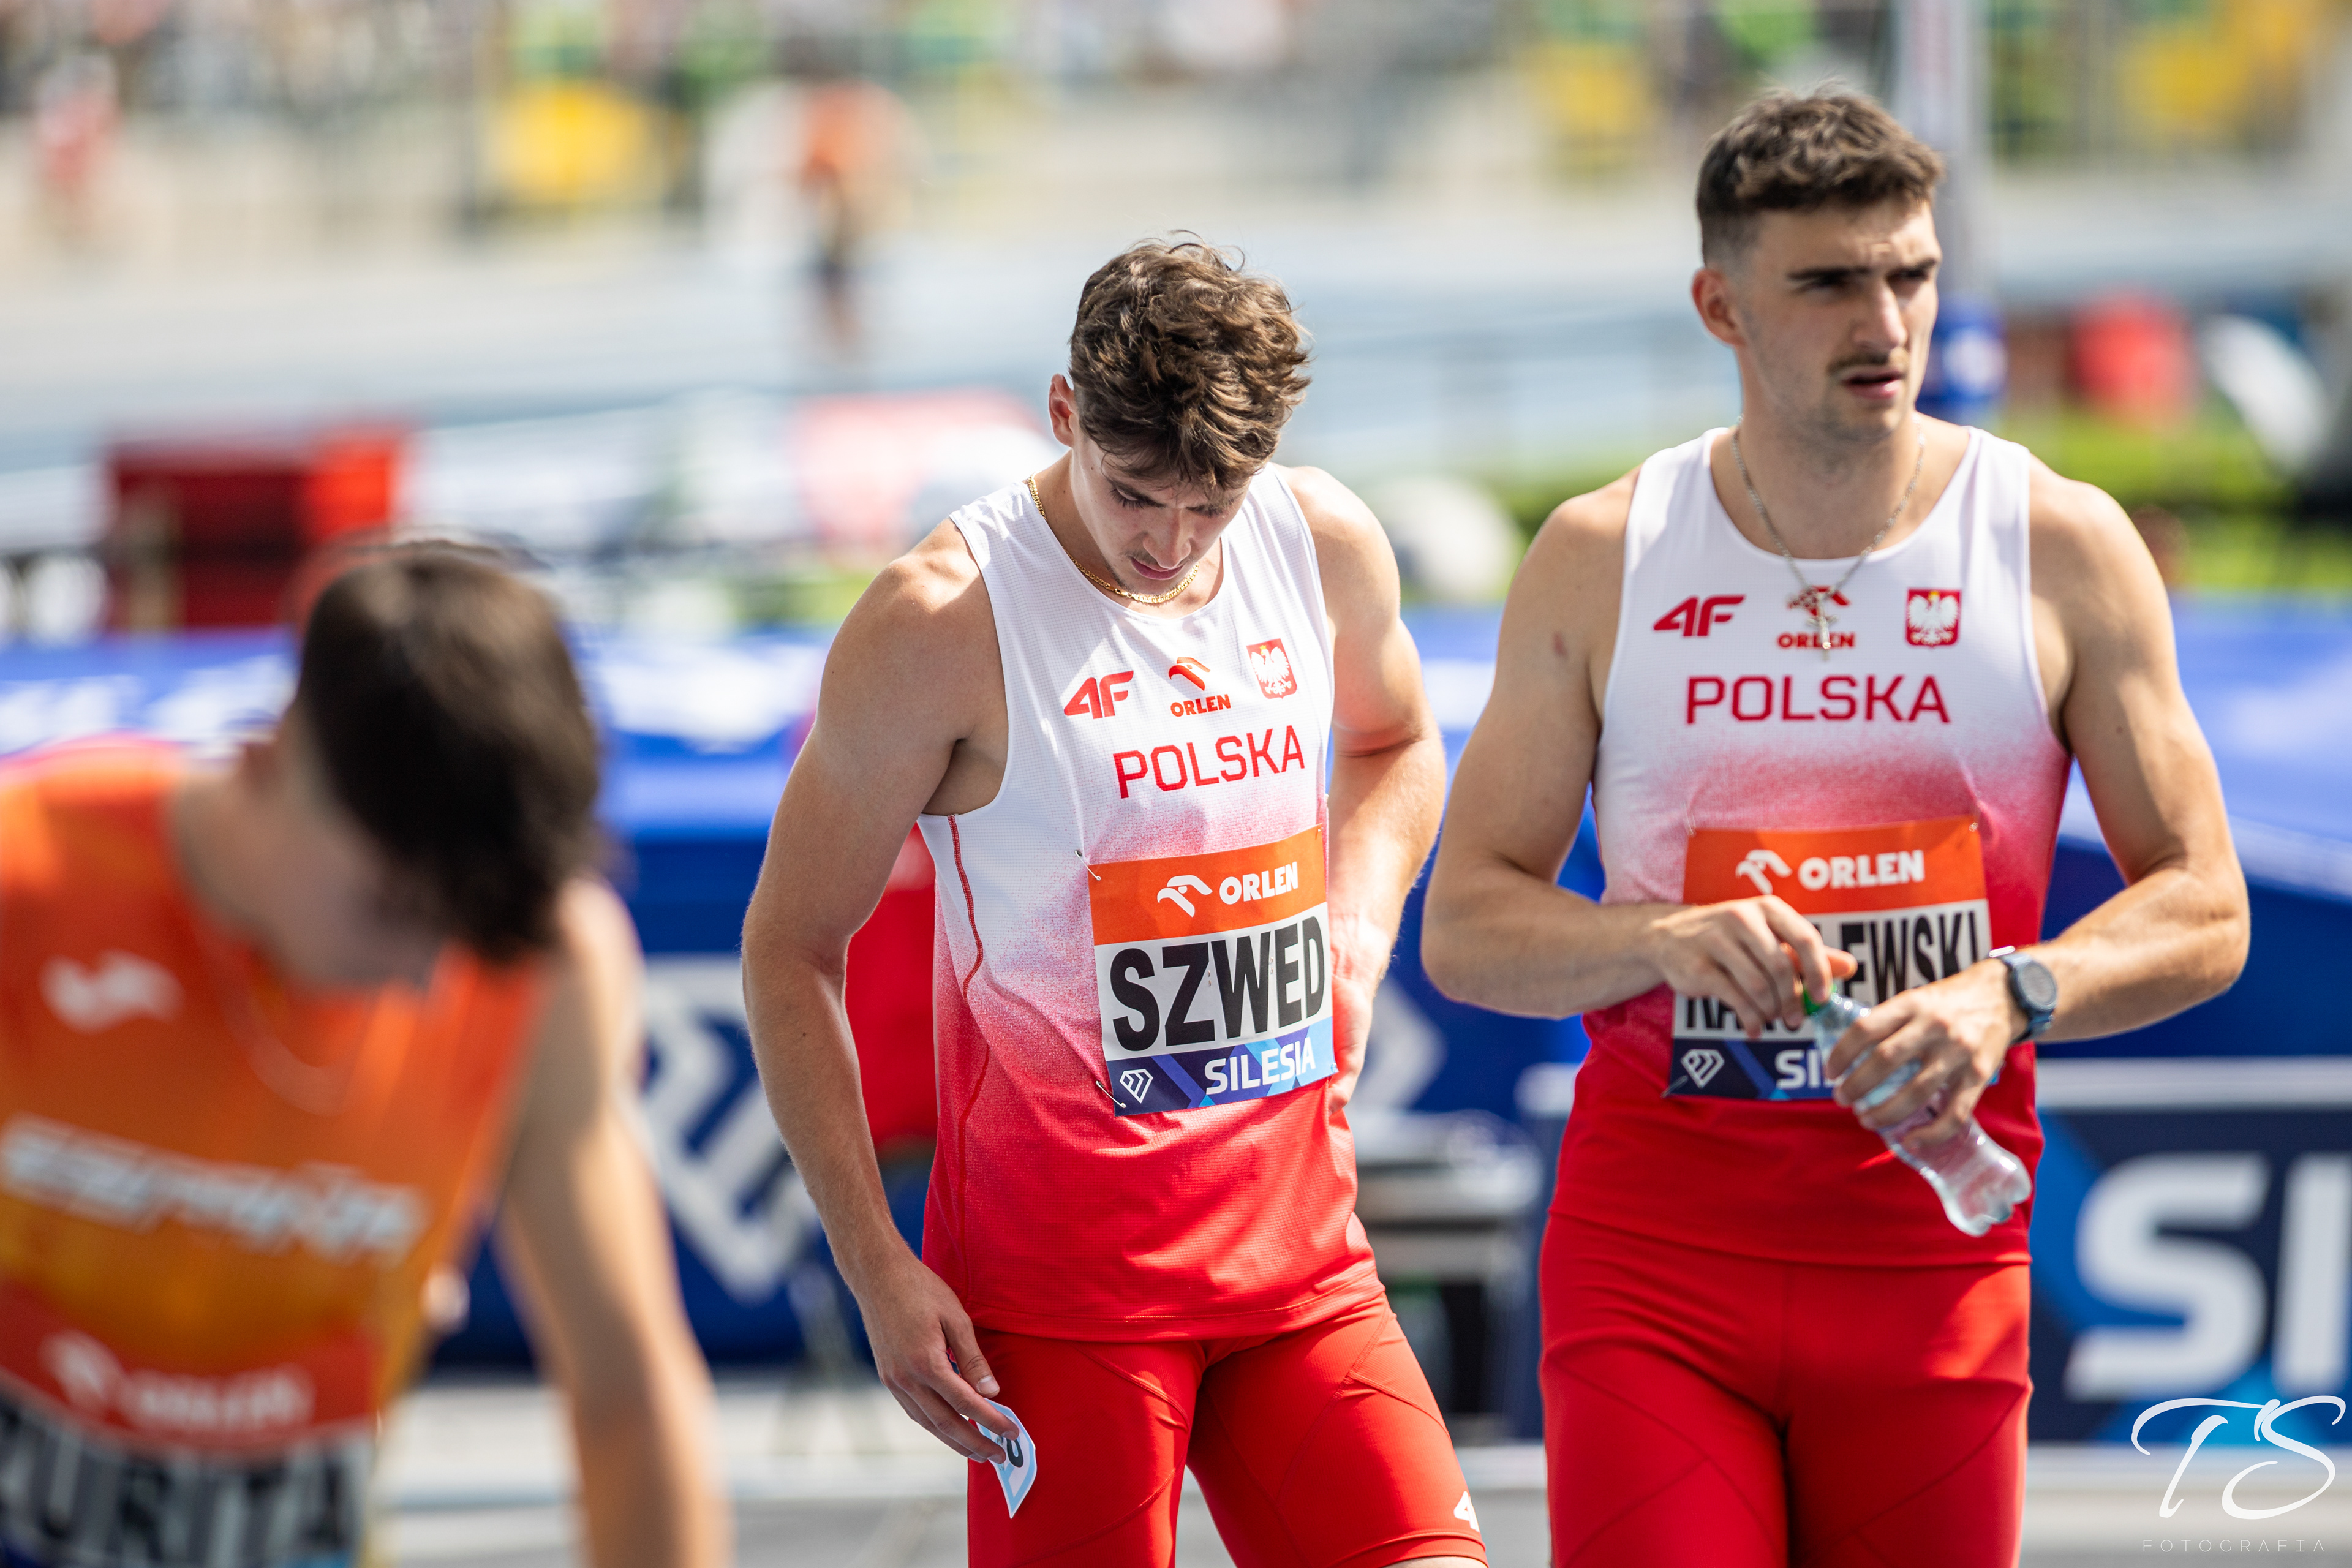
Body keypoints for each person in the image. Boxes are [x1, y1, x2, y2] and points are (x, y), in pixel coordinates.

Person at [1422, 92, 2248, 1568]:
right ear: (1720, 305)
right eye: (1828, 282)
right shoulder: (1605, 554)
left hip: (1933, 1259)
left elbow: (2208, 905)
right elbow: (1469, 926)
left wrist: (2013, 990)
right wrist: (1660, 938)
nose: (1885, 322)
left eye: (1910, 274)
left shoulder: (2059, 543)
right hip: (1659, 1267)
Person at [744, 240, 1483, 1568]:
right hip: (1062, 1304)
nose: (1170, 542)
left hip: (1301, 1260)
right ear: (1064, 411)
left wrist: (1358, 933)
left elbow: (1398, 740)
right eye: (1135, 493)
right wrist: (874, 1263)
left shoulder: (1317, 538)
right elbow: (789, 949)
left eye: (1212, 504)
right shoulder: (940, 619)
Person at [0, 548, 728, 1568]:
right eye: (391, 911)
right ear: (272, 759)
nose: (429, 980)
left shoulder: (542, 965)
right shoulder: (30, 879)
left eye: (465, 935)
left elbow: (626, 1394)